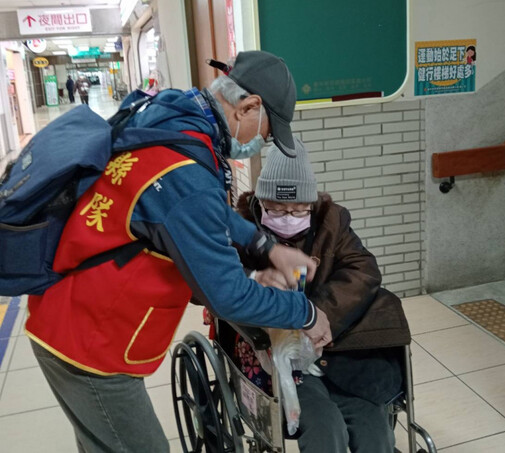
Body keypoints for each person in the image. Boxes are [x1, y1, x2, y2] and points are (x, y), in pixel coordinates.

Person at [26, 50, 331, 453]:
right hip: (89, 340)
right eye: (268, 131)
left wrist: (265, 247)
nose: (261, 143)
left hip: (71, 308)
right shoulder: (187, 172)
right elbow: (229, 297)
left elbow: (198, 208)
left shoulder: (174, 114)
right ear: (248, 106)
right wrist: (306, 313)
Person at [229, 137, 411, 453]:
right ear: (261, 203)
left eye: (298, 210)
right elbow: (209, 283)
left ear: (311, 204)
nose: (287, 217)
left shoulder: (332, 221)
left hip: (334, 349)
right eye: (277, 209)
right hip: (275, 356)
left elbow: (362, 272)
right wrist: (255, 280)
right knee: (326, 431)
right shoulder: (242, 226)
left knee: (374, 432)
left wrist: (317, 315)